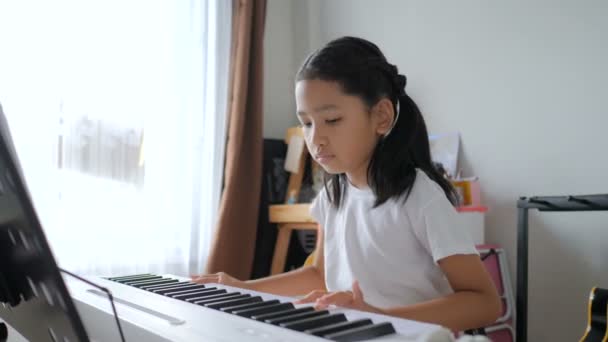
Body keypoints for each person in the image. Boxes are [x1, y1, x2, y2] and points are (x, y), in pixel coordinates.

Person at [192, 36, 501, 332]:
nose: (315, 139)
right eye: (307, 123)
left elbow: (484, 304)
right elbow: (319, 274)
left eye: (332, 120)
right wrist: (243, 289)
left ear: (381, 116)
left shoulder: (420, 196)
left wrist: (380, 318)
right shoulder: (332, 195)